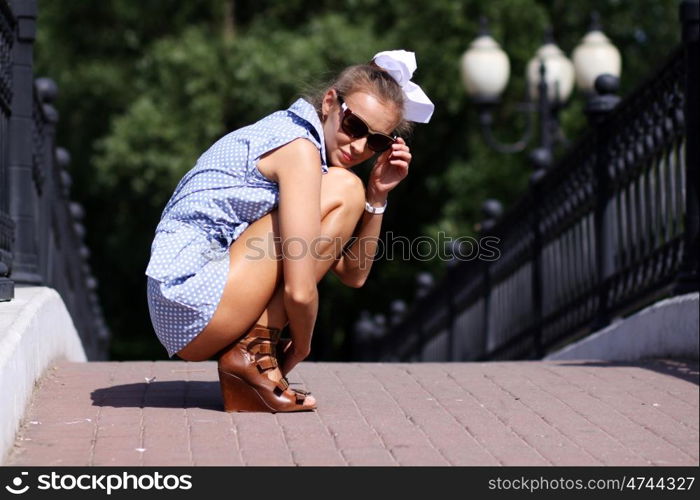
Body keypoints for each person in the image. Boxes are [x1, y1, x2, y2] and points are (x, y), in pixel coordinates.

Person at [145, 50, 434, 412]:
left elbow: (353, 274)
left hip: (185, 304)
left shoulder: (298, 140)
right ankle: (254, 355)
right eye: (354, 126)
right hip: (191, 294)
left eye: (376, 141)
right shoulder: (298, 149)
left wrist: (377, 197)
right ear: (330, 102)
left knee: (349, 190)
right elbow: (299, 290)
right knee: (345, 188)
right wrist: (301, 345)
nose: (359, 146)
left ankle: (252, 356)